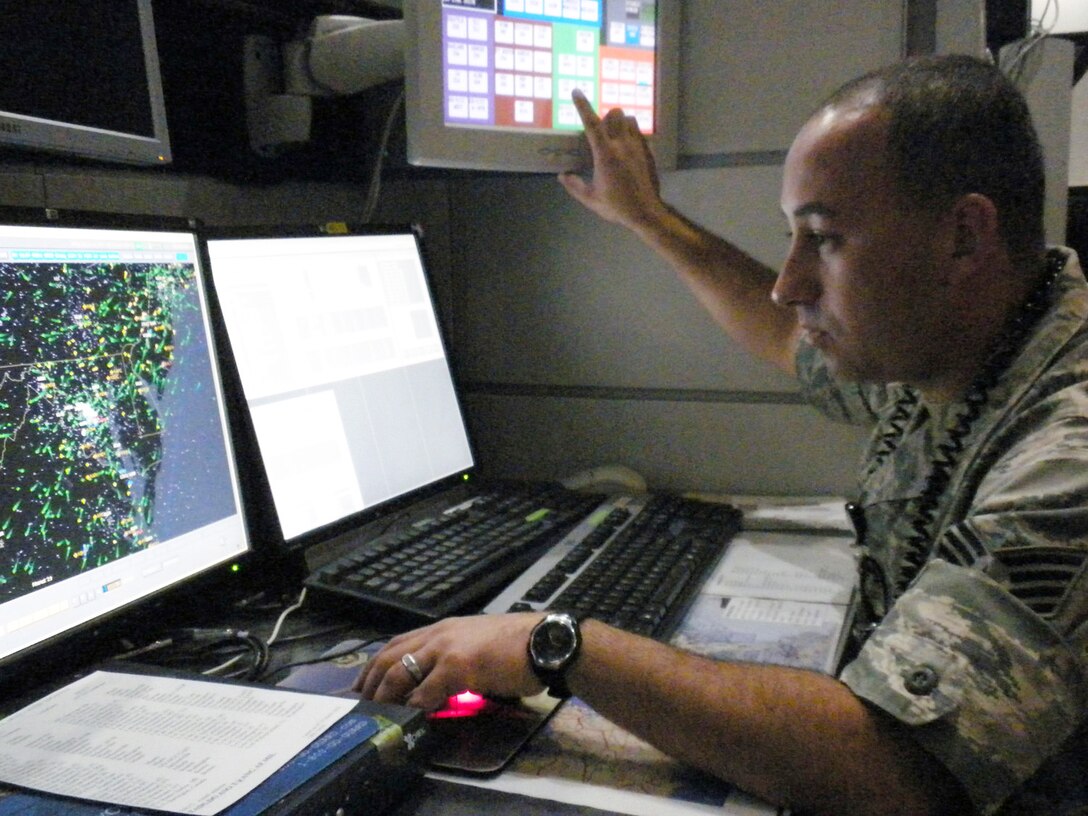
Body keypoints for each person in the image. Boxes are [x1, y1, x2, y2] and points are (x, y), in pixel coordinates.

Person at [356, 55, 1088, 816]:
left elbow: (894, 771)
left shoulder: (1067, 454)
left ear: (964, 238)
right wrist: (647, 217)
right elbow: (789, 339)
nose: (790, 282)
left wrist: (555, 644)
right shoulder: (957, 355)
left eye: (825, 238)